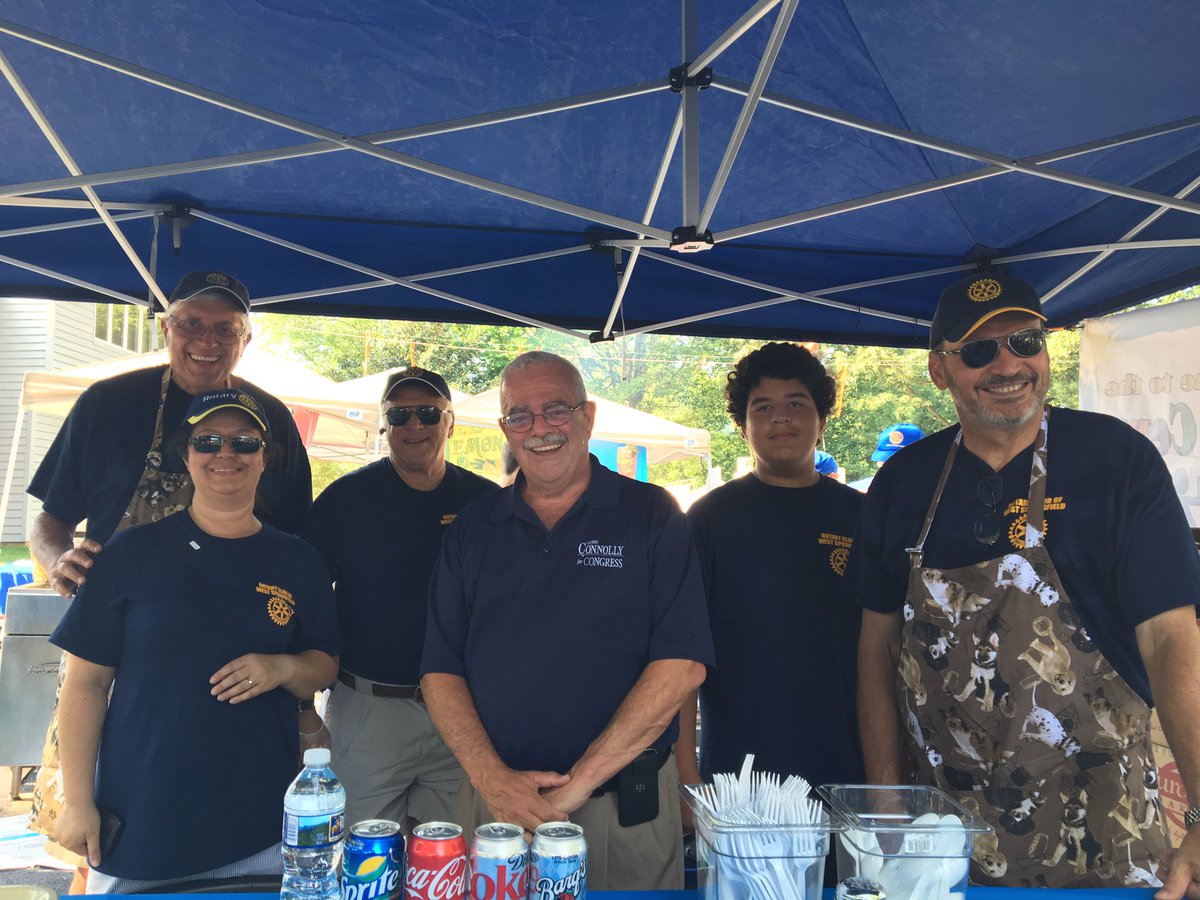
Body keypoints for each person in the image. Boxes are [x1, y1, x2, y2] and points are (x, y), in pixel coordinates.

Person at [851, 269, 1200, 894]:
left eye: (1026, 341)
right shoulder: (904, 483)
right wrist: (883, 798)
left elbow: (1171, 638)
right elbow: (876, 648)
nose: (1008, 364)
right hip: (943, 840)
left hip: (1105, 833)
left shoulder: (1118, 460)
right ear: (940, 370)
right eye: (980, 351)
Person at [25, 270, 313, 886]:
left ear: (246, 337)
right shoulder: (105, 404)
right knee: (93, 829)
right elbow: (47, 521)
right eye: (190, 324)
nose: (205, 340)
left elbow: (299, 552)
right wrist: (55, 560)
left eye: (224, 329)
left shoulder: (275, 420)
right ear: (165, 327)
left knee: (236, 831)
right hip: (113, 651)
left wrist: (293, 676)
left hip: (237, 669)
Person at [420, 351, 714, 891]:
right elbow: (440, 668)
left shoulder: (652, 515)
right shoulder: (474, 526)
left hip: (620, 808)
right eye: (521, 416)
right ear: (505, 428)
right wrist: (491, 779)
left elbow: (681, 667)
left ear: (588, 415)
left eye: (556, 409)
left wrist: (575, 788)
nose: (540, 429)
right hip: (494, 803)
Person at [49, 389, 340, 893]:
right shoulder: (129, 554)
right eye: (207, 440)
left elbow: (324, 665)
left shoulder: (298, 561)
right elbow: (85, 685)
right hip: (143, 822)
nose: (225, 453)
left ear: (265, 458)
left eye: (243, 442)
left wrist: (282, 669)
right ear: (186, 455)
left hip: (262, 828)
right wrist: (78, 803)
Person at [302, 367, 497, 828]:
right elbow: (303, 603)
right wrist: (303, 708)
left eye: (428, 414)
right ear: (384, 423)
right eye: (400, 414)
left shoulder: (485, 504)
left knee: (454, 864)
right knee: (358, 865)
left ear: (451, 423)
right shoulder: (344, 500)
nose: (415, 426)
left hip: (463, 713)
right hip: (369, 706)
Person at [678, 344, 864, 822]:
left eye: (796, 403)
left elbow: (887, 649)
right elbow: (682, 657)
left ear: (822, 420)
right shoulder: (709, 520)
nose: (780, 418)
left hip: (846, 766)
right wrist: (685, 777)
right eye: (763, 407)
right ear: (743, 427)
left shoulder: (862, 517)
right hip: (739, 770)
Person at [848, 423, 924, 492]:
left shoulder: (931, 492)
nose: (888, 468)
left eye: (899, 462)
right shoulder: (875, 492)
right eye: (883, 462)